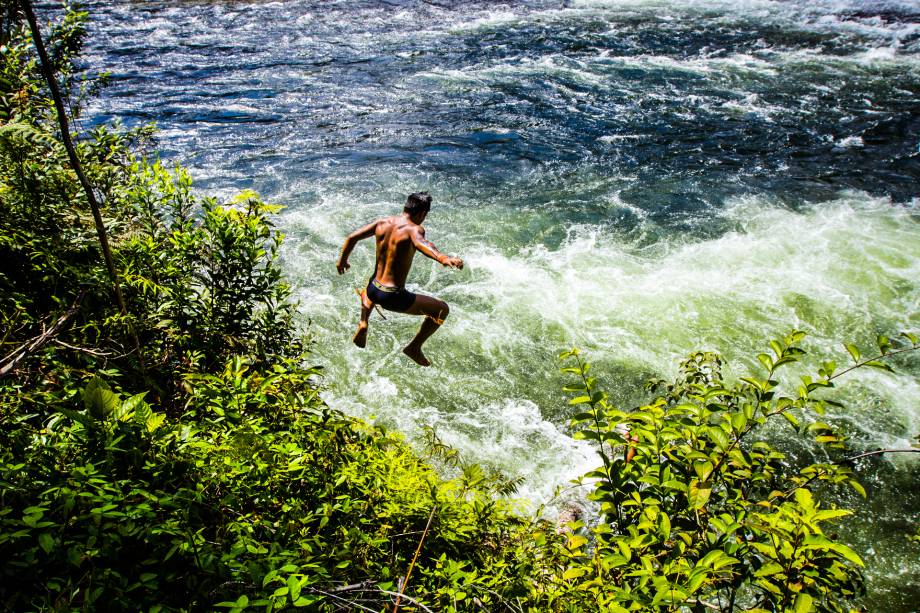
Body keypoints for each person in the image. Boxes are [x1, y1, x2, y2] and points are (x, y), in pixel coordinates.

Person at [336, 192, 464, 367]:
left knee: (373, 280)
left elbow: (352, 238)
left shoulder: (382, 222)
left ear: (406, 207)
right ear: (422, 214)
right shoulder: (414, 229)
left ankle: (364, 321)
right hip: (393, 297)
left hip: (374, 290)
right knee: (441, 310)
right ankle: (414, 348)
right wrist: (442, 258)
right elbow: (422, 243)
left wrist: (342, 261)